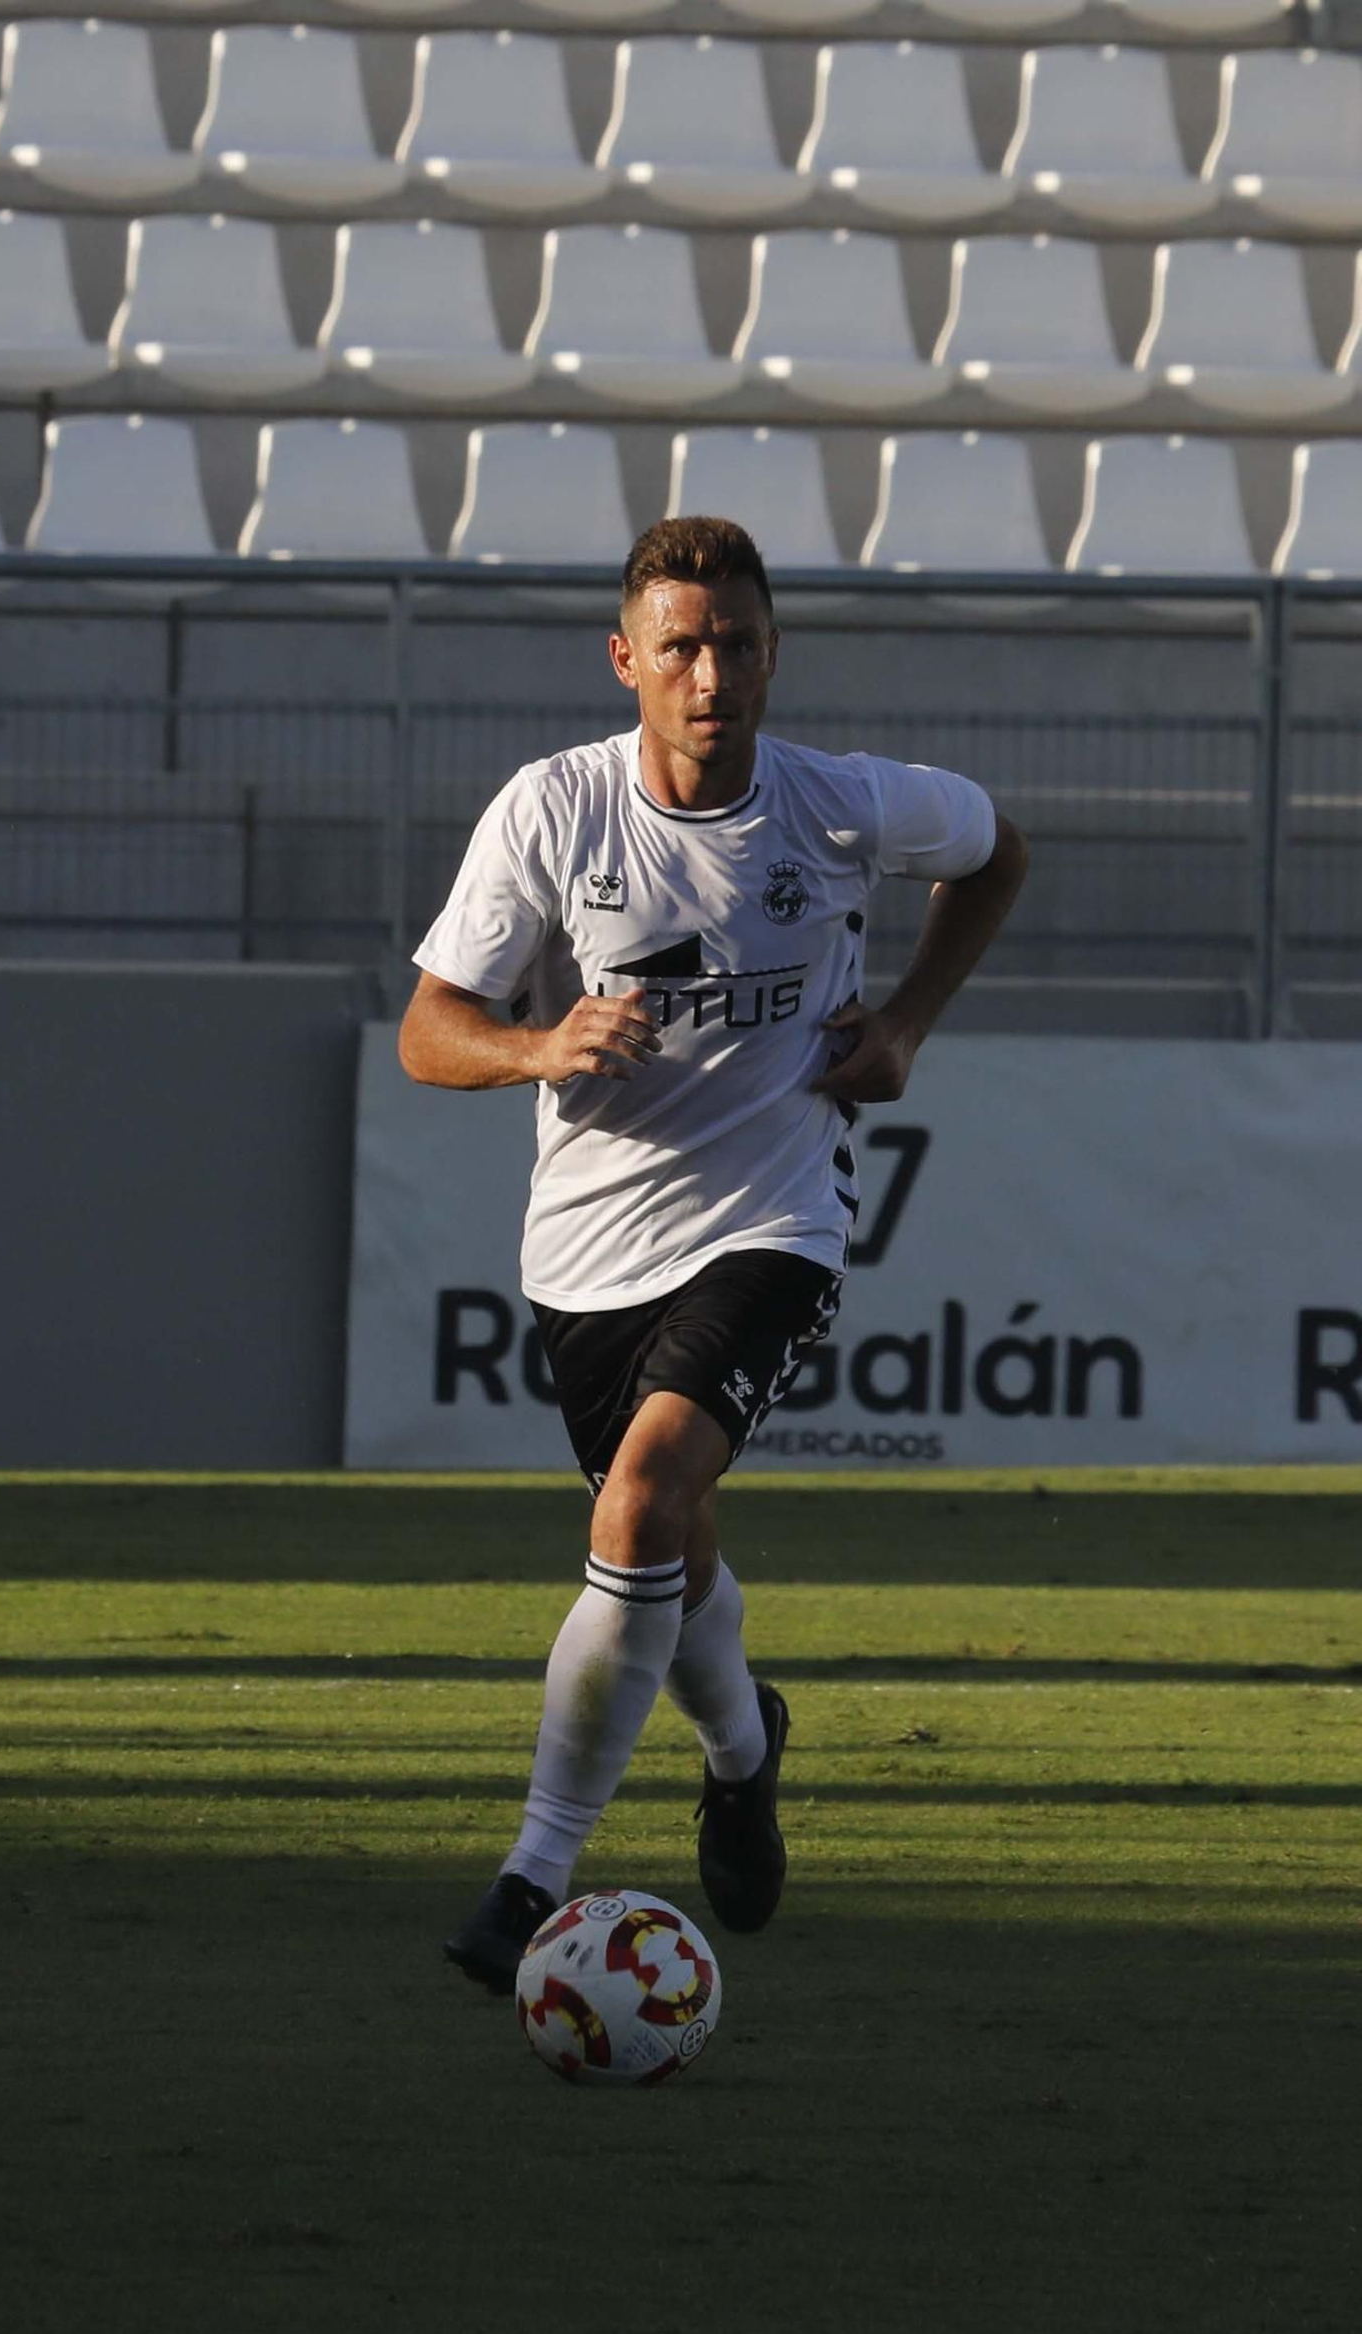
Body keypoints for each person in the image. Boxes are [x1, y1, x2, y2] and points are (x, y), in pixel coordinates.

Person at [399, 515, 1028, 1991]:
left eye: (736, 643)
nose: (710, 674)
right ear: (626, 661)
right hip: (588, 1257)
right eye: (679, 645)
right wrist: (543, 1043)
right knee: (663, 1543)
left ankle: (530, 1878)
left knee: (648, 1492)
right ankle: (745, 1753)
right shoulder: (552, 814)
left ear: (770, 654)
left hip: (775, 1220)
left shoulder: (839, 805)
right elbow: (432, 1032)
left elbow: (997, 855)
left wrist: (911, 1023)